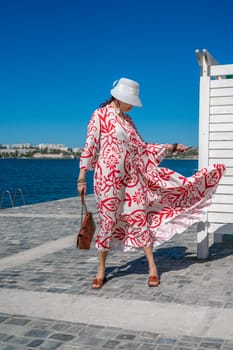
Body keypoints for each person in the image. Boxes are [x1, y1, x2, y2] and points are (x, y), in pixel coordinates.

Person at [77, 77, 225, 289]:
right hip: (106, 178)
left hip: (132, 179)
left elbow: (142, 148)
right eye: (131, 102)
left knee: (139, 220)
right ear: (120, 98)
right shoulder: (99, 115)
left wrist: (172, 147)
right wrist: (82, 176)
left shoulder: (128, 122)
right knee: (108, 222)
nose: (133, 107)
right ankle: (101, 270)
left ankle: (152, 268)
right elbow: (89, 146)